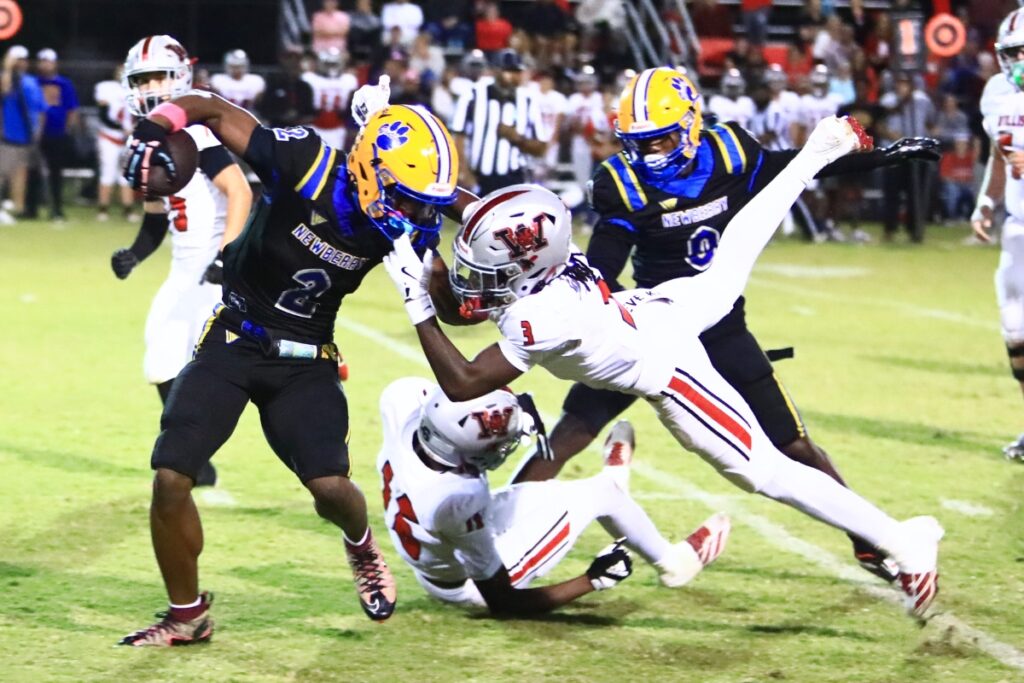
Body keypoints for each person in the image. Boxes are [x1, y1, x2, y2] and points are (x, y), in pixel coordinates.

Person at [381, 117, 944, 619]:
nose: (474, 271)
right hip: (646, 310)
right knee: (725, 274)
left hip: (665, 365)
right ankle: (816, 152)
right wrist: (400, 178)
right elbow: (476, 213)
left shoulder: (539, 316)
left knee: (764, 472)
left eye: (488, 264)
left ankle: (902, 542)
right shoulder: (548, 262)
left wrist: (417, 304)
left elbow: (463, 383)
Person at [498, 67, 939, 584]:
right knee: (570, 432)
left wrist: (878, 158)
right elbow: (602, 270)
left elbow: (789, 169)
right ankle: (502, 535)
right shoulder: (620, 181)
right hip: (652, 327)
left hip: (719, 323)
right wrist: (610, 323)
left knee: (792, 443)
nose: (650, 153)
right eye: (639, 142)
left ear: (690, 123)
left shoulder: (730, 149)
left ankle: (870, 541)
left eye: (660, 138)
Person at [115, 65, 474, 644]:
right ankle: (188, 614)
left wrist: (464, 284)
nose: (414, 214)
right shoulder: (306, 161)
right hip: (234, 336)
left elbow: (452, 303)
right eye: (405, 197)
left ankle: (360, 545)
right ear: (370, 170)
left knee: (331, 490)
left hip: (307, 358)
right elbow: (209, 105)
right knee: (170, 477)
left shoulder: (404, 225)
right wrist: (158, 125)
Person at [376, 378, 731, 612]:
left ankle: (614, 502)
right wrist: (590, 581)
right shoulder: (457, 500)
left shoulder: (406, 401)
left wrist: (506, 403)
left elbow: (463, 387)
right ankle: (674, 564)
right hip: (472, 585)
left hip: (442, 548)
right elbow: (502, 601)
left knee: (579, 496)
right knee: (599, 494)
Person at [111, 35, 253, 490]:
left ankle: (192, 456)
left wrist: (225, 256)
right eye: (142, 79)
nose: (151, 87)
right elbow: (157, 218)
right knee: (160, 357)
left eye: (158, 76)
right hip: (183, 270)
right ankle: (195, 457)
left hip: (214, 268)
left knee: (208, 368)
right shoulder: (151, 141)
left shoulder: (195, 133)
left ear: (181, 78)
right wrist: (134, 253)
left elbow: (240, 191)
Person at [973, 7, 1024, 462]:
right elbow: (998, 152)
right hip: (1018, 229)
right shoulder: (998, 94)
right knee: (1015, 333)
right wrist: (986, 201)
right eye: (1013, 53)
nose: (1019, 61)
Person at [450, 48, 546, 195]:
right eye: (509, 71)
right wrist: (464, 172)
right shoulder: (473, 94)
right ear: (495, 71)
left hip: (514, 177)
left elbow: (541, 147)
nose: (514, 76)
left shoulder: (528, 100)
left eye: (517, 71)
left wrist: (518, 139)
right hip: (479, 176)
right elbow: (458, 137)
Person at [25, 49, 79, 222]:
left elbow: (72, 109)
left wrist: (67, 129)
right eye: (42, 61)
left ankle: (56, 209)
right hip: (33, 135)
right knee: (32, 173)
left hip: (56, 134)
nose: (45, 64)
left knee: (56, 173)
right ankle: (30, 208)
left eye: (48, 61)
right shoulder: (32, 82)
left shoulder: (64, 83)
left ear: (55, 63)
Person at [0, 45, 45, 224]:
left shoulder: (31, 81)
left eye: (23, 60)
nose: (21, 63)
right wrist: (8, 67)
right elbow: (4, 89)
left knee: (20, 174)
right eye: (17, 60)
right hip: (8, 136)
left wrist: (38, 132)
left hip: (27, 137)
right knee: (2, 173)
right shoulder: (7, 78)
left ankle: (17, 208)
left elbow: (40, 110)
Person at [94, 65, 138, 222]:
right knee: (107, 173)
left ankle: (128, 210)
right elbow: (103, 114)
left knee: (126, 175)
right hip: (109, 136)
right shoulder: (105, 88)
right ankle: (103, 209)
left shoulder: (135, 89)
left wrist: (132, 129)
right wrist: (121, 128)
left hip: (127, 138)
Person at [302, 48, 358, 151]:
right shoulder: (310, 78)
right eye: (328, 64)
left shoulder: (348, 80)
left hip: (337, 128)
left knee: (334, 159)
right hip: (315, 125)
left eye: (334, 64)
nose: (331, 67)